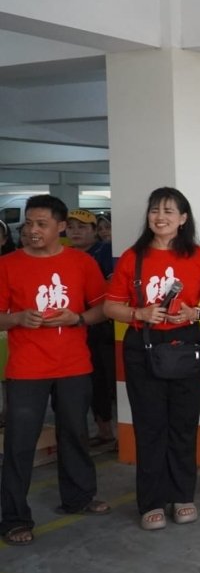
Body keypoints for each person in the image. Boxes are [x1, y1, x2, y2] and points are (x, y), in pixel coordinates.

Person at [0, 195, 112, 547]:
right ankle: (14, 517)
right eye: (28, 224)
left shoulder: (81, 263)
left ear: (60, 227)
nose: (32, 230)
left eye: (41, 224)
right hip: (26, 368)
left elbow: (102, 310)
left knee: (75, 434)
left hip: (73, 366)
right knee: (19, 444)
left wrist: (77, 318)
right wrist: (16, 318)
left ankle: (78, 497)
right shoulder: (7, 265)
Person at [102, 187, 200, 531]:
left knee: (183, 424)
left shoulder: (199, 256)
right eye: (155, 210)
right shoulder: (131, 257)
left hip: (186, 345)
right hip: (143, 347)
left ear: (183, 219)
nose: (160, 217)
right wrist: (139, 311)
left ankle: (183, 495)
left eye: (169, 211)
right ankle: (151, 501)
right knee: (150, 426)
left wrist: (194, 312)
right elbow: (110, 306)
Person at [67, 209, 117, 446]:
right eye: (71, 227)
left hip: (102, 326)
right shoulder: (65, 256)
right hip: (73, 326)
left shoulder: (104, 252)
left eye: (82, 227)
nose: (76, 232)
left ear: (94, 231)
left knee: (108, 378)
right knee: (91, 381)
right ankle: (103, 430)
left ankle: (118, 430)